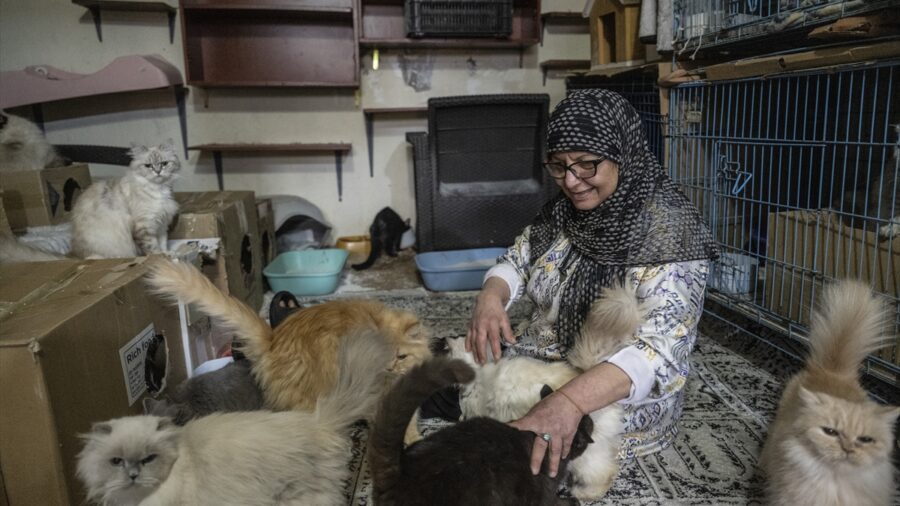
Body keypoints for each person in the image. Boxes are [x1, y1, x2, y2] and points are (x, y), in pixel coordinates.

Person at [465, 88, 719, 480]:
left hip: (614, 393)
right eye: (558, 166)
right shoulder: (562, 213)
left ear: (623, 153)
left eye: (586, 164)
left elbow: (658, 354)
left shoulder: (669, 231)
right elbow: (517, 260)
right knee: (444, 374)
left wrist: (567, 402)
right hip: (544, 362)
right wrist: (490, 297)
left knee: (515, 442)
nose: (571, 181)